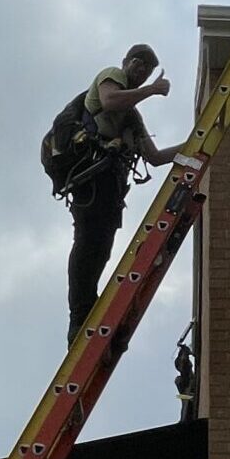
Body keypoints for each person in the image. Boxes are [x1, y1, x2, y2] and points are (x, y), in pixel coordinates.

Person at [46, 43, 179, 342]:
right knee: (86, 244)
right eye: (138, 62)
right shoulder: (112, 76)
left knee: (101, 248)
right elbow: (108, 102)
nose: (141, 70)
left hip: (108, 187)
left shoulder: (131, 117)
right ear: (126, 62)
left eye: (146, 68)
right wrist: (154, 90)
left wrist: (194, 146)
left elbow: (155, 157)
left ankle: (88, 310)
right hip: (89, 179)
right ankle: (78, 318)